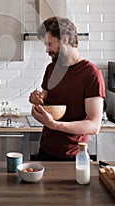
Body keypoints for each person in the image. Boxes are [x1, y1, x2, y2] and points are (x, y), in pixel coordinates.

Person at [29, 16, 105, 161]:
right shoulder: (51, 68)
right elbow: (44, 100)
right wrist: (36, 99)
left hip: (74, 156)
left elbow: (94, 126)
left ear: (64, 39)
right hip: (45, 150)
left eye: (49, 44)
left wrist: (55, 125)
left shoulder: (91, 74)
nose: (47, 50)